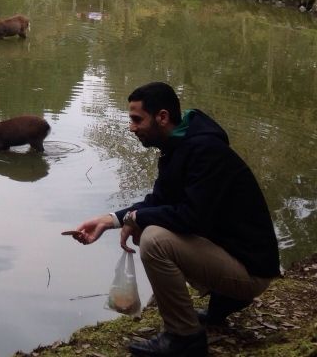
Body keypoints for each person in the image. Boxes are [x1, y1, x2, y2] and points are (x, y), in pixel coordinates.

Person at [71, 82, 279, 357]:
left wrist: (138, 218)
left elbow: (189, 217)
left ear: (163, 117)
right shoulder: (179, 145)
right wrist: (110, 220)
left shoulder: (205, 151)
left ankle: (184, 338)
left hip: (252, 272)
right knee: (154, 226)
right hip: (236, 257)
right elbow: (160, 201)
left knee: (155, 240)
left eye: (136, 119)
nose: (131, 127)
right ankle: (223, 303)